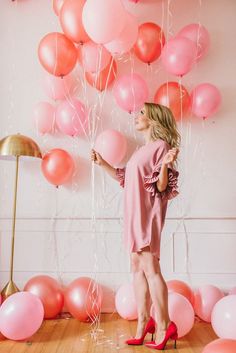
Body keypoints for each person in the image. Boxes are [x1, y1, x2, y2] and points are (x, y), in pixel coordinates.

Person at [91, 102, 180, 350]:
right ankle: (143, 324)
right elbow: (127, 179)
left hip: (146, 215)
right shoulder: (143, 149)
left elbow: (161, 187)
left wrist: (164, 165)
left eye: (142, 113)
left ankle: (164, 326)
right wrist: (102, 163)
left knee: (150, 268)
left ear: (153, 119)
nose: (136, 116)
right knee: (137, 268)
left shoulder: (161, 147)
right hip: (132, 214)